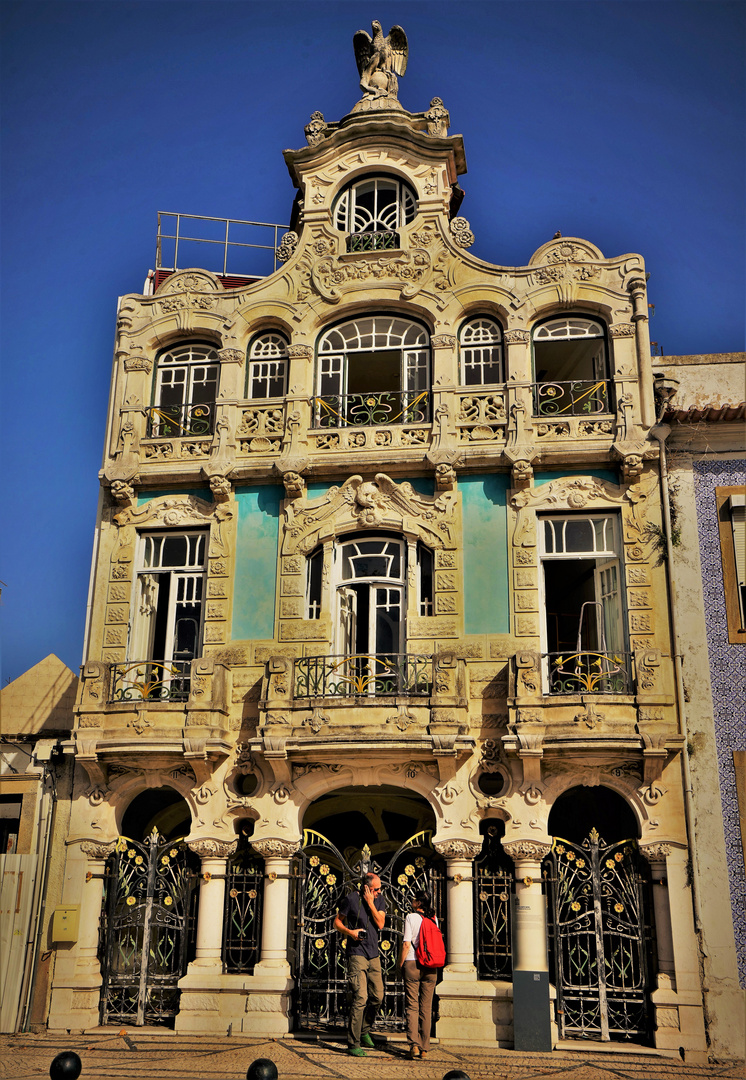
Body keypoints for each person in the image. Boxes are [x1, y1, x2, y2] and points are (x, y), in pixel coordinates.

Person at [333, 871, 387, 1057]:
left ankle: (364, 1030)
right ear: (367, 888)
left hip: (373, 954)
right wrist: (350, 932)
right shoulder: (350, 899)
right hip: (356, 953)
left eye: (379, 889)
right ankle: (353, 1043)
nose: (380, 891)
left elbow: (380, 923)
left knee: (378, 996)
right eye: (376, 889)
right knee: (361, 997)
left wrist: (371, 902)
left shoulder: (379, 900)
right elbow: (337, 923)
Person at [397, 889, 439, 1060]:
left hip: (413, 962)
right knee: (426, 1008)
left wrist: (400, 964)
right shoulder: (433, 918)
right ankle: (425, 1048)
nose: (412, 901)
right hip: (430, 965)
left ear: (419, 903)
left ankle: (414, 1045)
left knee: (412, 1005)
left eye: (414, 899)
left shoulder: (410, 917)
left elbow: (407, 943)